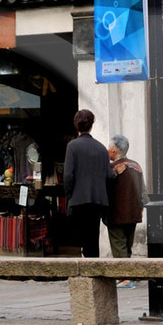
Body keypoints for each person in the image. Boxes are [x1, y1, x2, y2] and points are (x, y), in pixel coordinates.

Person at [61, 108, 109, 258]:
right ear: (92, 125)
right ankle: (94, 269)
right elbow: (108, 175)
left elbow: (68, 176)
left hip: (79, 198)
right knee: (93, 238)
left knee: (81, 238)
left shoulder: (73, 146)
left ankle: (87, 273)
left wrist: (69, 195)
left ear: (76, 125)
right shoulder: (102, 148)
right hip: (98, 199)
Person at [106, 135, 145, 257]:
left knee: (119, 248)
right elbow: (143, 190)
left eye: (108, 147)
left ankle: (125, 276)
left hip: (116, 215)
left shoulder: (111, 168)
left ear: (113, 150)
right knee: (128, 248)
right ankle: (127, 275)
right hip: (133, 214)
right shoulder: (136, 166)